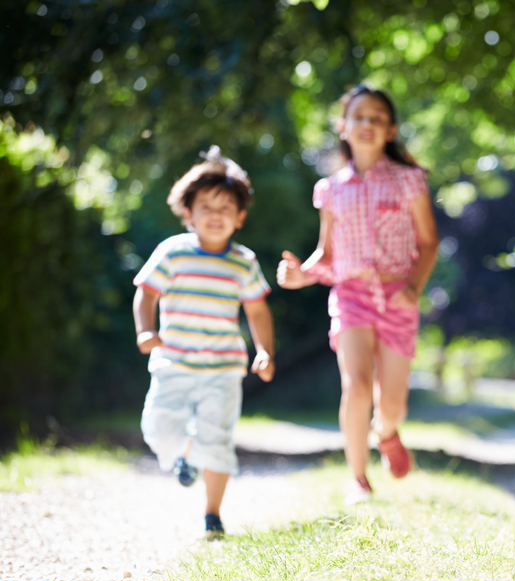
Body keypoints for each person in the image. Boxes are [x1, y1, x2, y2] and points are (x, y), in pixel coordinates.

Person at [277, 86, 438, 504]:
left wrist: (413, 288)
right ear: (342, 127)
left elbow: (428, 243)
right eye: (359, 117)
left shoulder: (409, 181)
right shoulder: (330, 189)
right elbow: (326, 255)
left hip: (398, 296)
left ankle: (386, 433)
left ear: (391, 130)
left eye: (377, 118)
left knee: (392, 405)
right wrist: (301, 276)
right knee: (357, 386)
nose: (367, 124)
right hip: (350, 297)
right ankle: (358, 480)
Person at [132, 146, 275, 539]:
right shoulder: (172, 252)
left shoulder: (243, 262)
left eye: (225, 207)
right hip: (173, 361)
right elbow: (145, 294)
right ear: (188, 213)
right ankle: (183, 456)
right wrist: (146, 331)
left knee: (217, 438)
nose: (215, 215)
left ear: (240, 217)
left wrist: (264, 350)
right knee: (158, 430)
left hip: (224, 368)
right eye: (206, 207)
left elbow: (258, 311)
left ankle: (212, 515)